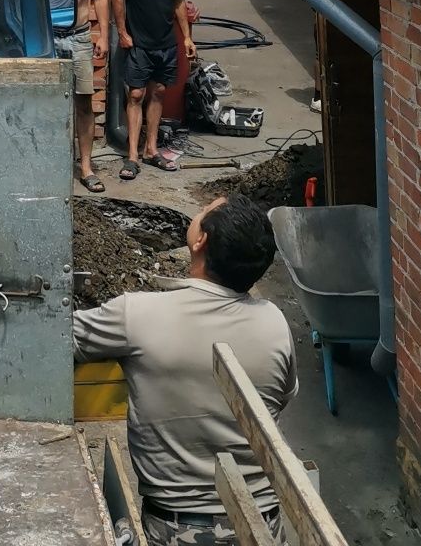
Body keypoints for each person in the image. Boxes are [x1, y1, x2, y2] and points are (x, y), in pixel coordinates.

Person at [72, 195, 298, 545]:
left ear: (200, 241)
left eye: (205, 209)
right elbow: (279, 401)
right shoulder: (275, 323)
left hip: (178, 529)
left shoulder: (136, 315)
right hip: (264, 525)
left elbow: (53, 338)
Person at [113, 0, 192, 179]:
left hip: (165, 44)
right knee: (136, 94)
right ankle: (133, 156)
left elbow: (178, 1)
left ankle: (151, 149)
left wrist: (187, 37)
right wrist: (123, 33)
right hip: (139, 44)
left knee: (158, 93)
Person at [56, 0, 108, 193]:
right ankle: (54, 165)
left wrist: (104, 35)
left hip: (79, 37)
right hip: (48, 39)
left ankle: (86, 166)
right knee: (50, 103)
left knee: (84, 102)